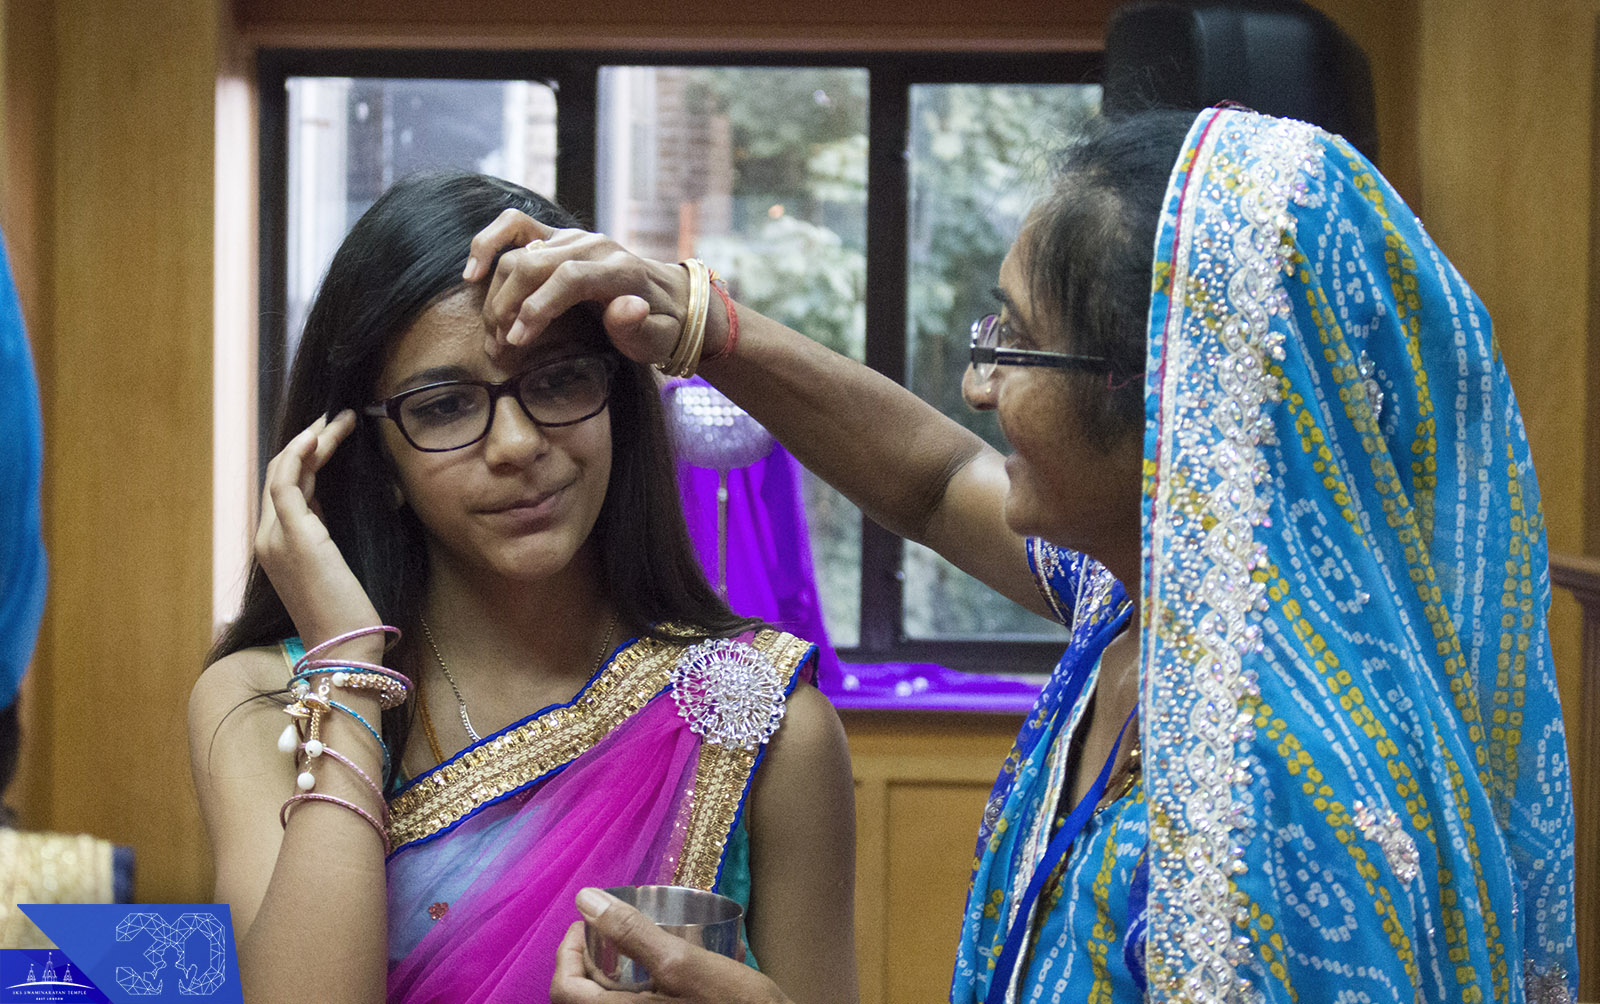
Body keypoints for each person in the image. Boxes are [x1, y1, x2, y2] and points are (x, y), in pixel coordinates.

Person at [461, 107, 1578, 1002]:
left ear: (1166, 398)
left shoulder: (1287, 803)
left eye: (1015, 342)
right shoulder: (1151, 604)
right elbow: (933, 481)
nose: (978, 382)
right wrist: (701, 323)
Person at [187, 172, 857, 1004]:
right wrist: (350, 670)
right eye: (444, 406)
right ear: (369, 456)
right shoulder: (265, 703)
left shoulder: (763, 721)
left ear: (616, 402)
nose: (515, 444)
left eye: (559, 380)